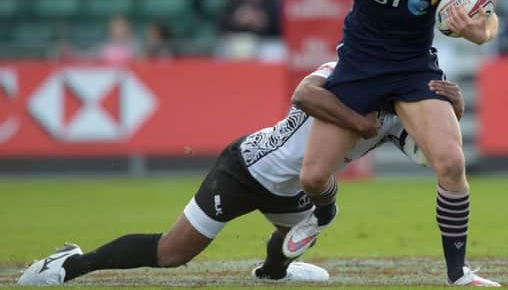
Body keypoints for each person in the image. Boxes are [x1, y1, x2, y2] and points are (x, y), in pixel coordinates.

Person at [16, 62, 464, 286]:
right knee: (172, 253)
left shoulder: (398, 114)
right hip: (246, 168)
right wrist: (357, 121)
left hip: (293, 186)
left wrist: (453, 106)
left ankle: (272, 274)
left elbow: (434, 148)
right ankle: (70, 264)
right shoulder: (348, 74)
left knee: (299, 232)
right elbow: (305, 94)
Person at [278, 0, 500, 286]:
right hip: (358, 66)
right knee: (311, 177)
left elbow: (490, 19)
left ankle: (458, 274)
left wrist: (480, 32)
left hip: (414, 68)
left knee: (452, 164)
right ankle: (325, 211)